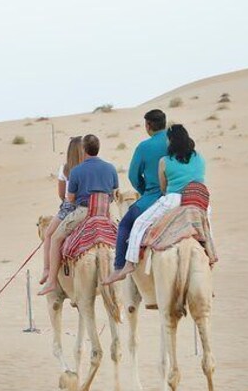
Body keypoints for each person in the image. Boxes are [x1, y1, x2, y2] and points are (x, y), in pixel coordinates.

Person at [104, 124, 205, 284]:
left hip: (173, 199)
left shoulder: (165, 161)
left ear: (171, 141)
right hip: (199, 199)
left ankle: (128, 264)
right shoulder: (199, 157)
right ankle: (209, 259)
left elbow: (164, 188)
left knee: (138, 223)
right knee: (206, 229)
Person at [38, 134, 119, 296]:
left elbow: (69, 198)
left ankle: (51, 278)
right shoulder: (110, 168)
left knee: (54, 238)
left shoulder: (74, 171)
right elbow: (115, 194)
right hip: (104, 210)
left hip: (81, 210)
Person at [106, 109, 168, 284]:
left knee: (125, 223)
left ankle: (120, 267)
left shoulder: (144, 147)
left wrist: (145, 190)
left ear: (148, 126)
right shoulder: (176, 142)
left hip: (153, 197)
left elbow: (133, 176)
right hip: (178, 195)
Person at [39, 136, 84, 284]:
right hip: (91, 206)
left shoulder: (65, 169)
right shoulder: (88, 167)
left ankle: (47, 269)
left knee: (49, 235)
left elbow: (61, 194)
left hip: (69, 207)